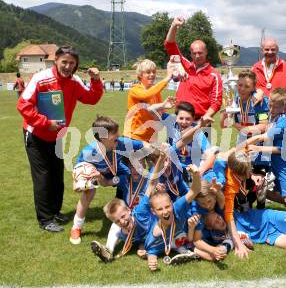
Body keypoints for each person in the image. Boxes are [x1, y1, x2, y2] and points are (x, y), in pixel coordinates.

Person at [17, 45, 104, 232]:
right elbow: (23, 104)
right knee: (43, 177)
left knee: (57, 176)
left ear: (76, 65)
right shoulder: (41, 78)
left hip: (57, 135)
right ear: (55, 60)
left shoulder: (75, 81)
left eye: (71, 63)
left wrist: (96, 80)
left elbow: (91, 98)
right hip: (36, 134)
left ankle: (55, 212)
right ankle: (45, 219)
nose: (67, 66)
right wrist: (45, 122)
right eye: (64, 61)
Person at [69, 116, 154, 244]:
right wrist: (81, 182)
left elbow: (143, 144)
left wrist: (149, 151)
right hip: (97, 174)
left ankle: (131, 214)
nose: (118, 135)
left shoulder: (121, 142)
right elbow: (79, 169)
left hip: (117, 171)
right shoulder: (89, 152)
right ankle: (76, 227)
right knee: (89, 193)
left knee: (134, 181)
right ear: (102, 138)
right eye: (114, 133)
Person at [164, 16, 223, 121]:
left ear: (206, 52)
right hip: (180, 120)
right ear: (190, 53)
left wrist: (206, 117)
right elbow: (170, 45)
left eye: (200, 53)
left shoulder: (214, 75)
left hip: (201, 121)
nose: (197, 56)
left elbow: (216, 102)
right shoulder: (184, 65)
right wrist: (174, 25)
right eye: (194, 53)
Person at [123, 59, 172, 143]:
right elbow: (146, 95)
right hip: (134, 137)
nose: (152, 74)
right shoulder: (134, 89)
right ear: (140, 75)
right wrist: (167, 78)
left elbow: (160, 114)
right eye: (148, 72)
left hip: (151, 138)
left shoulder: (155, 93)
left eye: (154, 72)